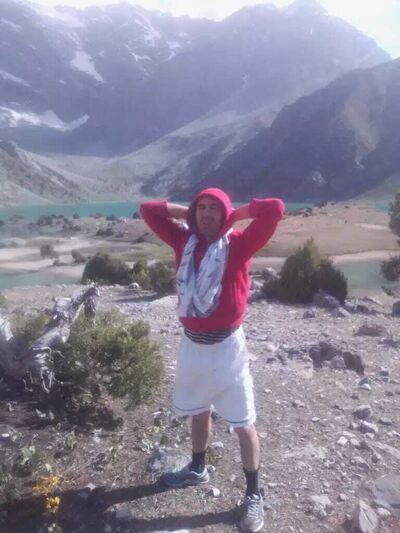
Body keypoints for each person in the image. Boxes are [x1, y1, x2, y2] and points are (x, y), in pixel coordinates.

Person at [140, 188, 285, 532]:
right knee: (198, 410)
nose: (207, 214)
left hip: (227, 349)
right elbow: (147, 210)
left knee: (243, 422)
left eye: (214, 209)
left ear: (224, 213)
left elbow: (275, 209)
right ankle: (197, 468)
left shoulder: (239, 245)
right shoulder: (183, 241)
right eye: (201, 208)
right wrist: (186, 212)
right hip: (192, 346)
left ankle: (253, 494)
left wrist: (236, 214)